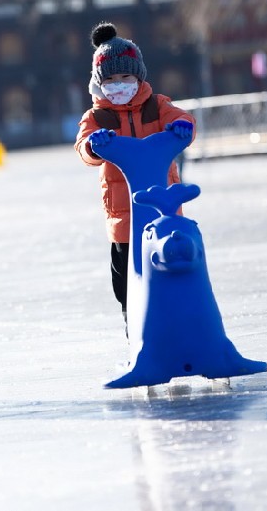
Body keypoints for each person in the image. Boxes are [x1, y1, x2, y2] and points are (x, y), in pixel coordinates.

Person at [75, 22, 195, 330]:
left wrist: (183, 128)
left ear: (138, 75)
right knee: (126, 275)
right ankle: (135, 324)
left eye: (125, 76)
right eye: (111, 79)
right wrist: (94, 145)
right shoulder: (97, 116)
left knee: (169, 266)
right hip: (123, 214)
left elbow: (182, 119)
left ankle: (177, 323)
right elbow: (83, 147)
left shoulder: (157, 106)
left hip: (162, 210)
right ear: (100, 83)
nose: (119, 84)